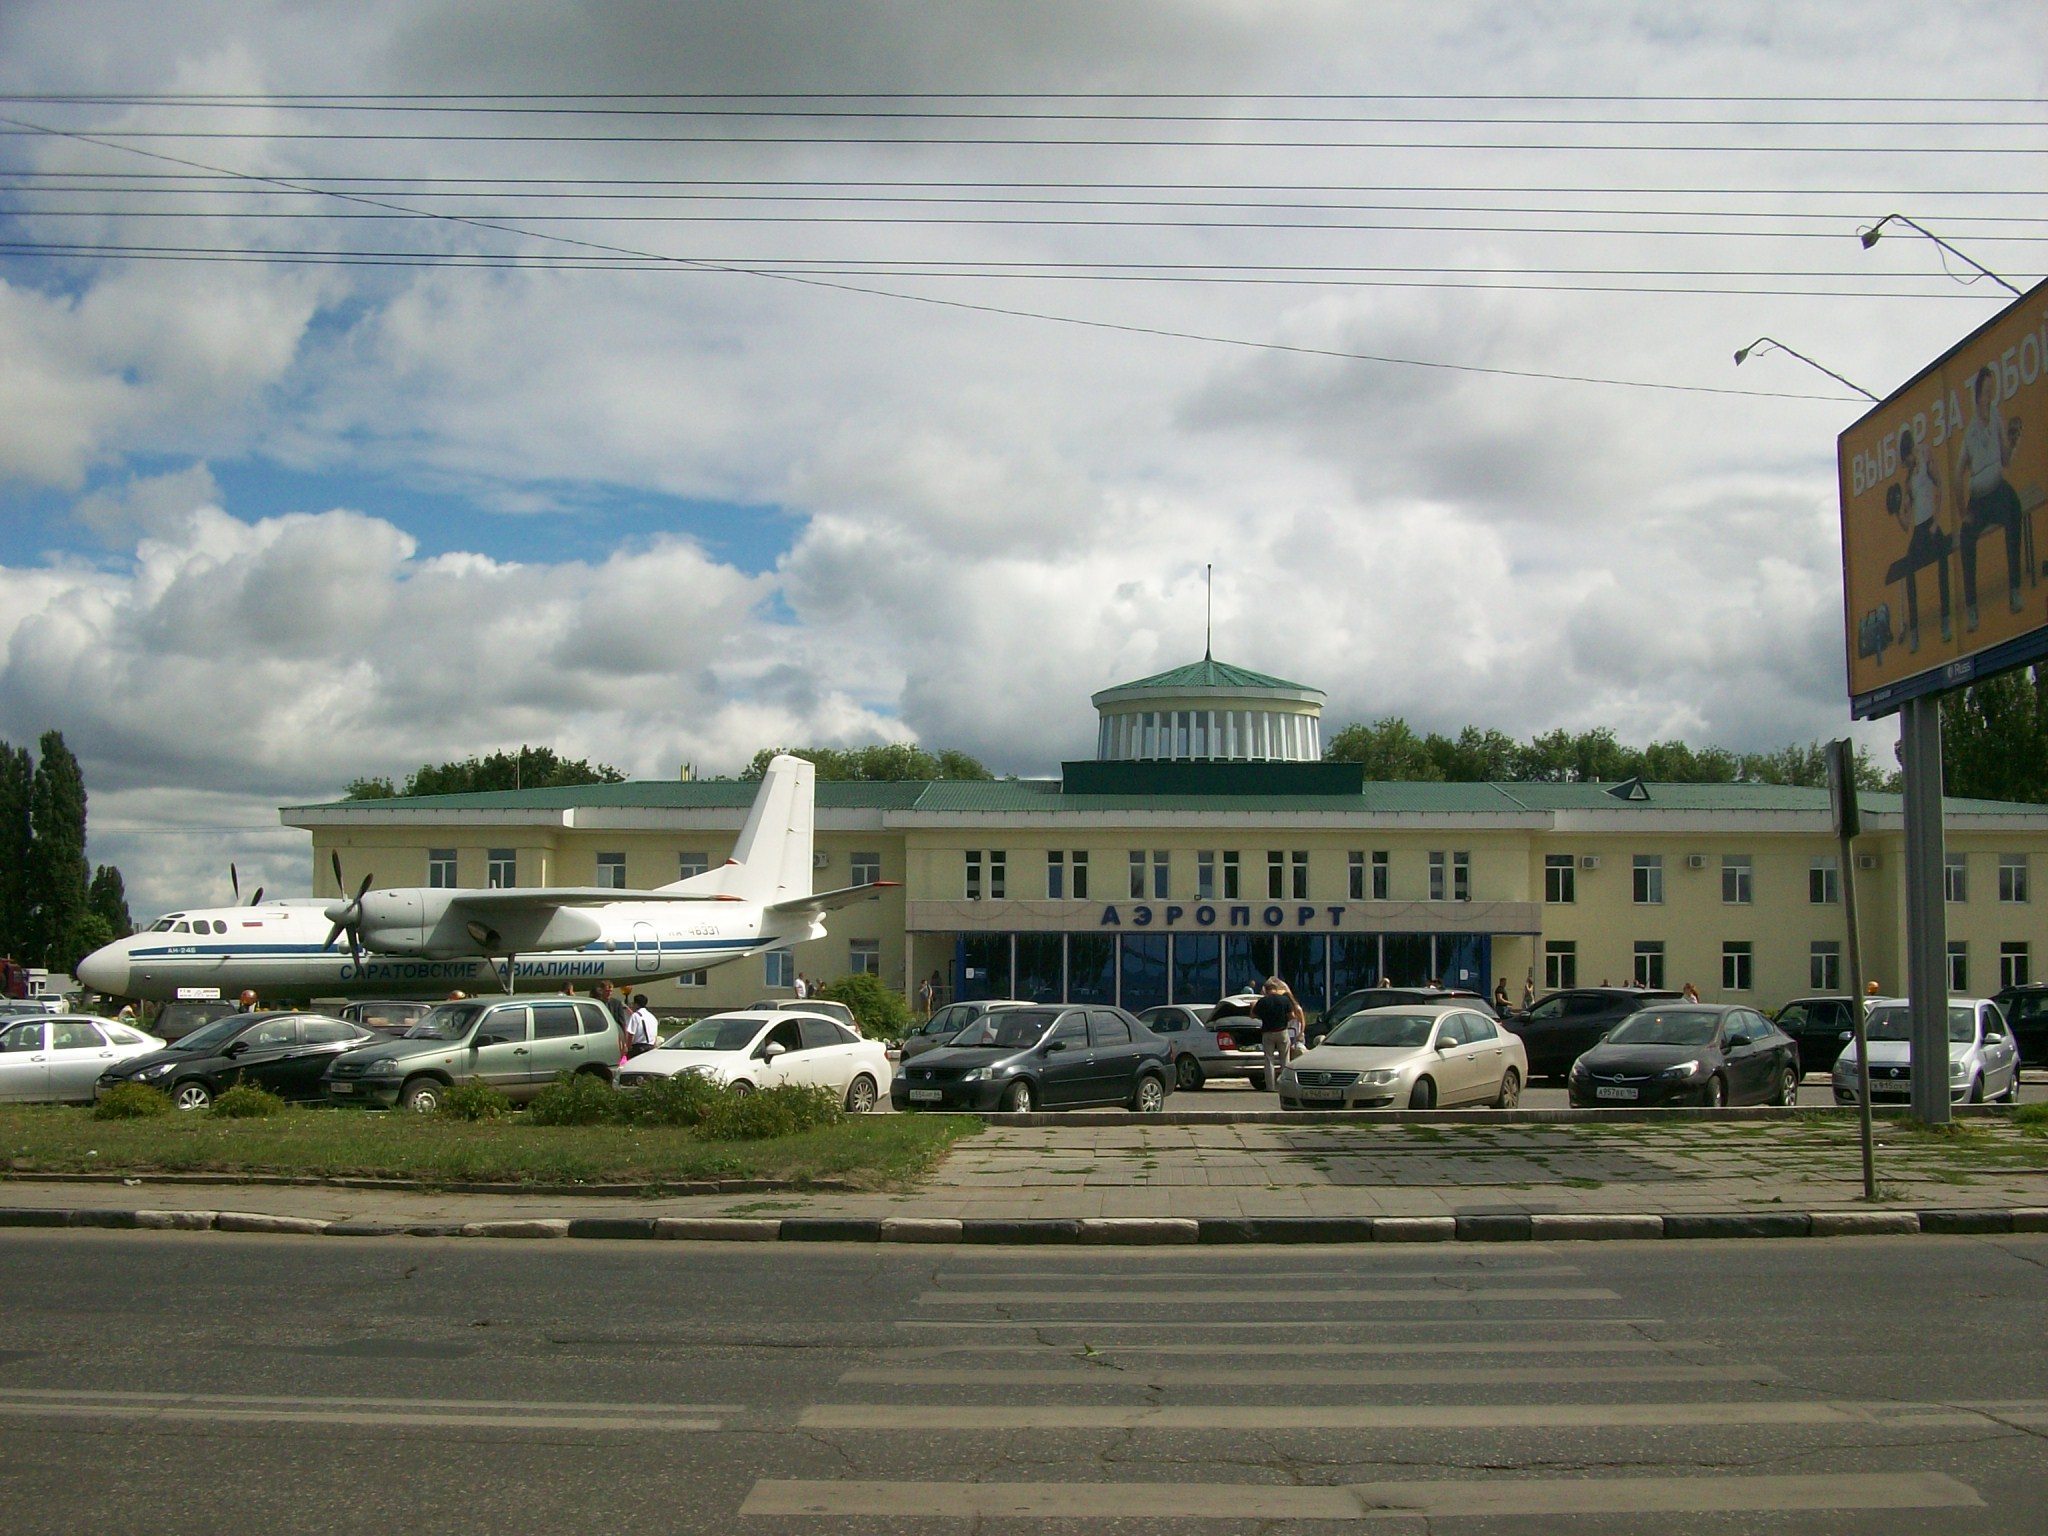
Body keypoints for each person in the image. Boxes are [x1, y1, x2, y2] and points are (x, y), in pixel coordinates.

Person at [1954, 364, 2029, 630]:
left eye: (1992, 391)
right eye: (1986, 392)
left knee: (2016, 509)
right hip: (1979, 499)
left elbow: (2006, 459)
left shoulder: (1996, 416)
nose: (1990, 397)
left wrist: (2014, 441)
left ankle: (2015, 589)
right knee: (1966, 539)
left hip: (1999, 489)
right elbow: (1957, 475)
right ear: (1977, 397)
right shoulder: (1970, 433)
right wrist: (1964, 513)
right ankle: (1972, 608)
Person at [1887, 426, 1953, 652]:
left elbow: (1941, 485)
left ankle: (1946, 618)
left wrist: (1936, 520)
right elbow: (1906, 524)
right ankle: (1914, 630)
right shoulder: (1908, 482)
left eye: (1909, 459)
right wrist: (1896, 511)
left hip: (1932, 525)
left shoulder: (1926, 457)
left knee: (1943, 560)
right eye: (1907, 461)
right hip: (1919, 530)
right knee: (1909, 570)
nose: (1909, 463)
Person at [1252, 977, 1296, 1090]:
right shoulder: (1284, 1000)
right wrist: (1284, 1022)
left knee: (1269, 1059)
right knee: (1285, 1058)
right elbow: (1292, 1016)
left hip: (1267, 1032)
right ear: (1276, 989)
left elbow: (1253, 1015)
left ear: (1266, 990)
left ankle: (1270, 1086)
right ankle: (1286, 1086)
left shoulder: (1262, 1001)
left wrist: (1253, 1006)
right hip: (1282, 1031)